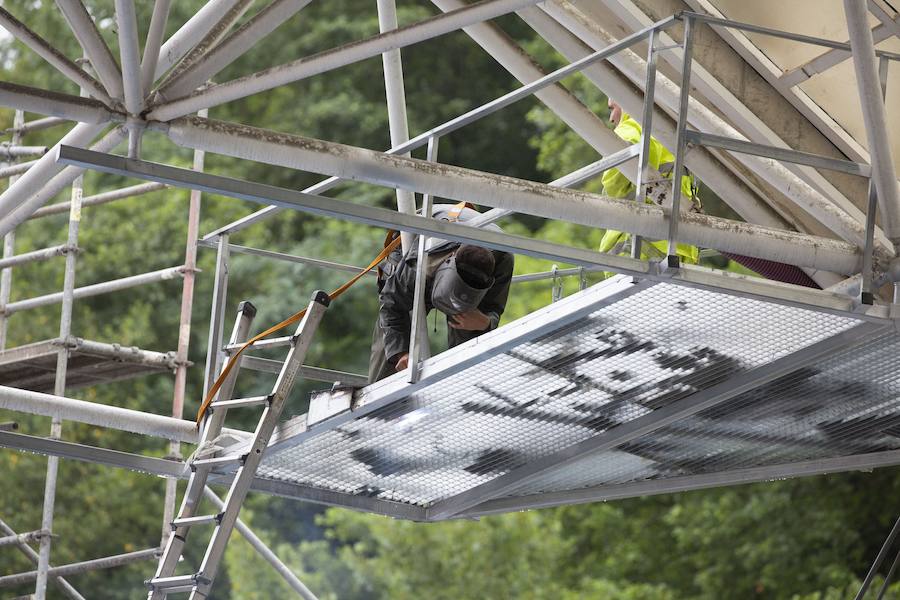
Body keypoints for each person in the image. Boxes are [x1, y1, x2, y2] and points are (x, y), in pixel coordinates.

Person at [368, 203, 515, 383]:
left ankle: (465, 390)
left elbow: (493, 308)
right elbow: (391, 303)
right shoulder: (420, 264)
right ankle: (378, 399)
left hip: (468, 250)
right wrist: (400, 353)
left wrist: (485, 323)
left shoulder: (503, 258)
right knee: (391, 344)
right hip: (417, 245)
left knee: (473, 328)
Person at [599, 100, 701, 264]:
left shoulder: (632, 128)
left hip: (636, 254)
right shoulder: (674, 138)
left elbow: (614, 183)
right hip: (681, 254)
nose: (611, 118)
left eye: (613, 108)